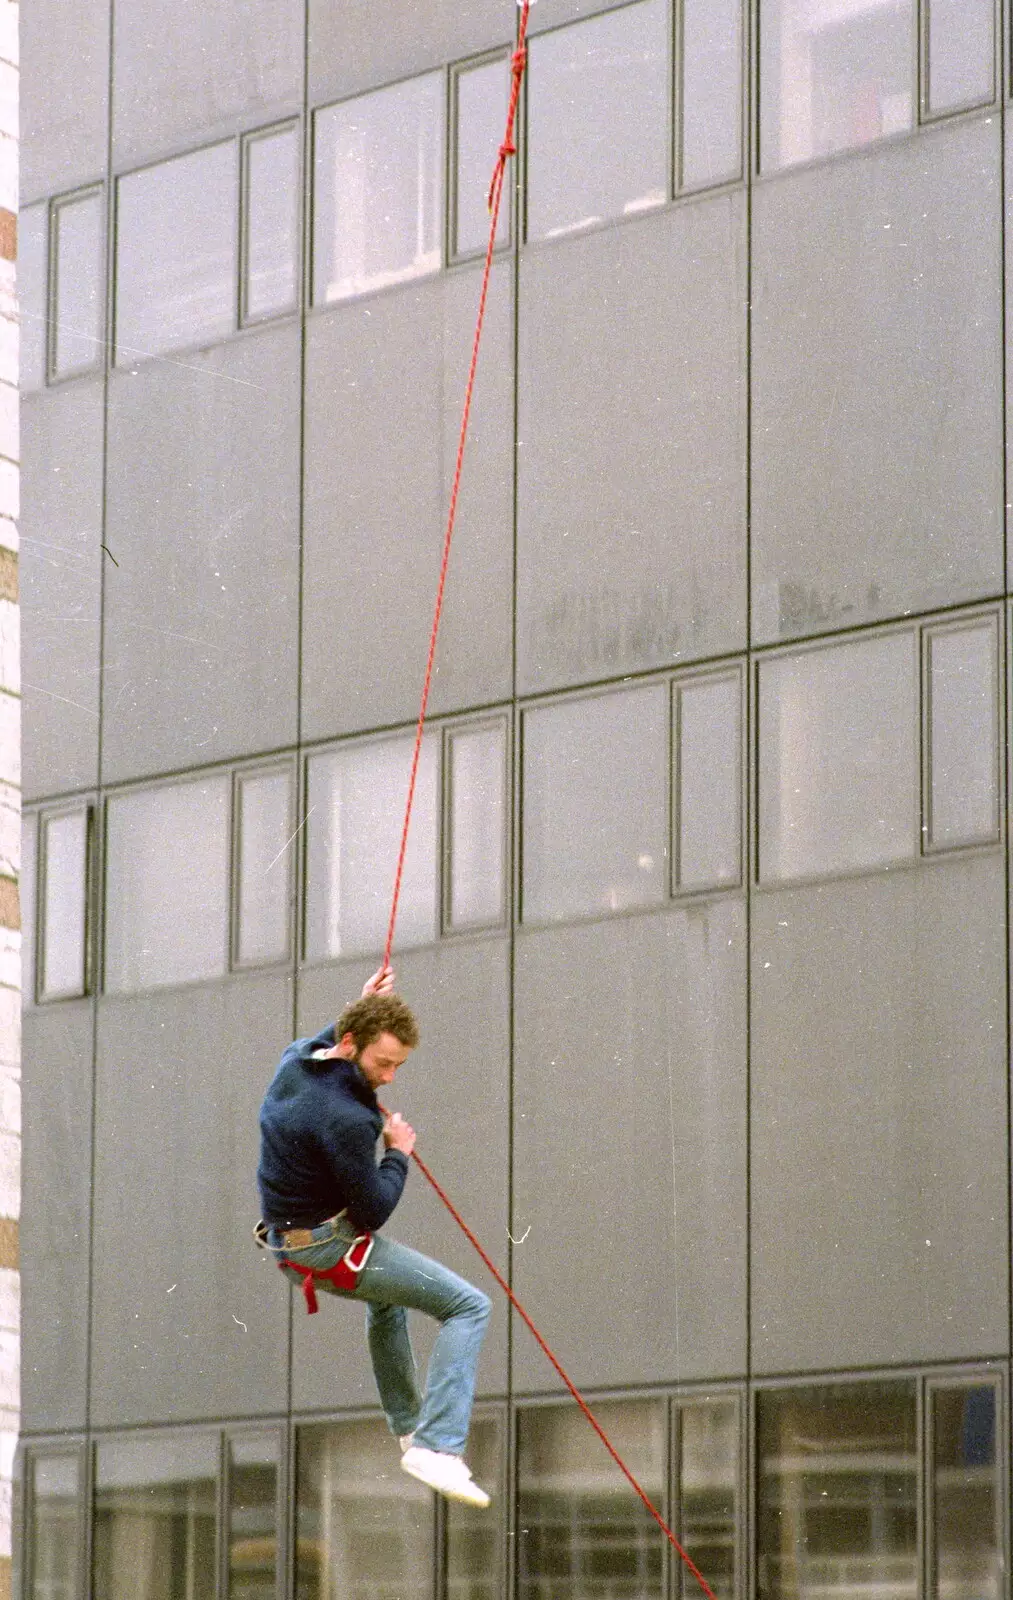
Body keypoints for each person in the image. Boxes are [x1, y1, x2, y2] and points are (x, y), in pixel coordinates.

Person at [256, 965, 492, 1508]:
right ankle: (437, 1446)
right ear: (351, 1046)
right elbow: (372, 1212)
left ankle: (412, 1429)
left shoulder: (295, 1063)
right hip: (326, 1247)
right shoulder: (345, 1119)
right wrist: (399, 1153)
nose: (389, 1077)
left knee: (389, 1302)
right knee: (468, 1306)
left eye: (398, 1066)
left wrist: (363, 1003)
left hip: (291, 1244)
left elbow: (325, 1037)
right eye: (383, 1063)